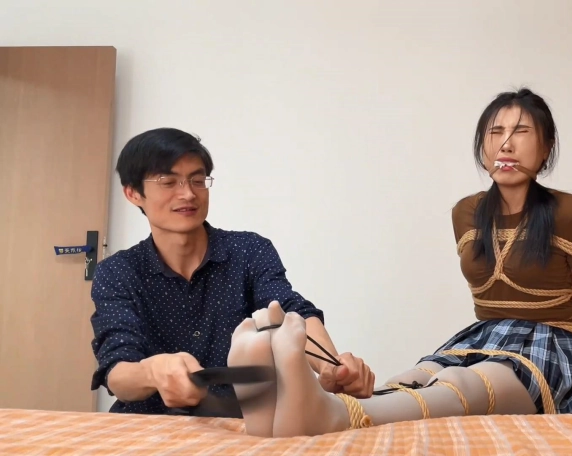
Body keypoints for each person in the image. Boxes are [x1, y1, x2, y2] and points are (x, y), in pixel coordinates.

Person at [226, 87, 572, 438]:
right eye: (495, 132)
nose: (506, 144)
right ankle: (294, 411)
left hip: (549, 346)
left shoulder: (569, 211)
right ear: (483, 147)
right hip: (482, 337)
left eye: (522, 132)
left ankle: (332, 415)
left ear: (546, 147)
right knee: (420, 374)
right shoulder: (467, 212)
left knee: (465, 383)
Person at [89, 128, 375, 415]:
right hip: (149, 422)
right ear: (133, 193)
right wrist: (153, 372)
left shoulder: (248, 251)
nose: (188, 194)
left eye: (198, 180)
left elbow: (289, 313)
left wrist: (331, 366)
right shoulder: (117, 272)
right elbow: (117, 371)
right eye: (168, 182)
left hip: (243, 420)